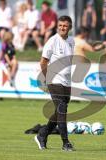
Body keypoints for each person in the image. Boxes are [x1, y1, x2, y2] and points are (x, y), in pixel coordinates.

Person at [35, 15, 75, 151]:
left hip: (67, 81)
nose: (62, 28)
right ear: (57, 26)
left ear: (70, 27)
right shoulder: (52, 41)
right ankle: (66, 143)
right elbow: (43, 62)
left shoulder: (71, 41)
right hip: (54, 80)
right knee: (62, 110)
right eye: (60, 25)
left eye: (65, 26)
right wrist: (47, 79)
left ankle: (42, 135)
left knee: (59, 111)